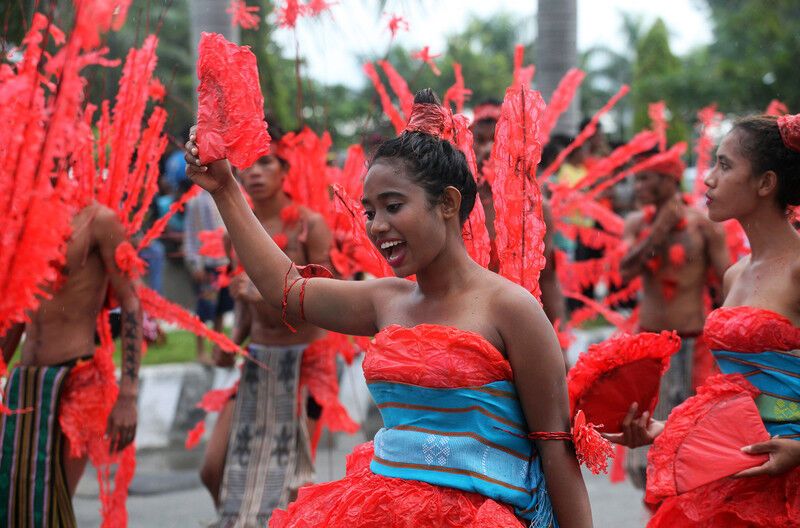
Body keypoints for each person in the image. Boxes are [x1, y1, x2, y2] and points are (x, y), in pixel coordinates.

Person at [186, 89, 593, 527]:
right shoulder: (385, 299)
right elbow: (288, 290)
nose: (378, 227)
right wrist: (225, 188)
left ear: (449, 204)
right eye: (369, 211)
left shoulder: (511, 309)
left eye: (393, 206)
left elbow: (555, 447)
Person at [607, 113, 800, 526]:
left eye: (725, 165)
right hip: (737, 467)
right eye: (713, 162)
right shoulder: (735, 274)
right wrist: (662, 429)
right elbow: (737, 393)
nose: (708, 179)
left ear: (766, 183)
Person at [199, 137, 335, 526]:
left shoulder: (310, 225)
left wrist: (263, 295)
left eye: (266, 164)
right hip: (259, 362)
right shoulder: (235, 233)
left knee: (289, 483)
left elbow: (329, 305)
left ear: (285, 171)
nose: (255, 173)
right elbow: (243, 311)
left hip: (305, 364)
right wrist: (230, 343)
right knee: (213, 469)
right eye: (248, 166)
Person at [0, 202, 142, 526]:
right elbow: (21, 307)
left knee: (50, 508)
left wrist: (128, 397)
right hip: (25, 385)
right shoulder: (24, 215)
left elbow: (131, 303)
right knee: (12, 508)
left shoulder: (98, 221)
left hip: (76, 382)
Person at [618, 150, 730, 489]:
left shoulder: (703, 225)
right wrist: (657, 233)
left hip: (693, 343)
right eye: (636, 179)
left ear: (669, 180)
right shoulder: (637, 224)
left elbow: (727, 284)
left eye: (645, 178)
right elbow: (624, 272)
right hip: (648, 344)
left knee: (690, 440)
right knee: (644, 450)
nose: (638, 186)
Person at [472, 100, 567, 329]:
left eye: (495, 141)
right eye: (481, 141)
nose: (487, 150)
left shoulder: (534, 207)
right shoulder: (457, 205)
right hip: (472, 327)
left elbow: (548, 280)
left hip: (521, 328)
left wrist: (559, 339)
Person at [184, 186, 234, 363]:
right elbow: (191, 233)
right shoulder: (197, 200)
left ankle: (216, 348)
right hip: (207, 265)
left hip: (226, 263)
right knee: (205, 310)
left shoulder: (230, 193)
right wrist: (196, 263)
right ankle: (200, 351)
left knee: (221, 310)